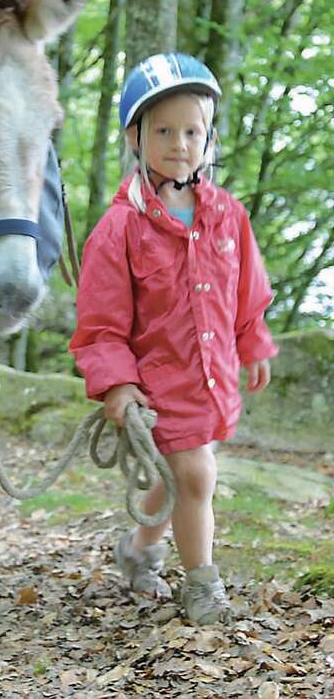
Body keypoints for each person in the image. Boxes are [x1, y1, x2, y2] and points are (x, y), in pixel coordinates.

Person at [69, 52, 278, 625]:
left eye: (192, 130)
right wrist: (115, 384)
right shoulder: (119, 230)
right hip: (159, 387)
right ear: (136, 137)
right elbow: (101, 325)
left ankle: (138, 549)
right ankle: (202, 584)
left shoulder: (228, 216)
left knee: (177, 476)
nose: (179, 143)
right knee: (196, 475)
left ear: (208, 138)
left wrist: (253, 339)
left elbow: (247, 290)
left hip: (211, 378)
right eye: (164, 130)